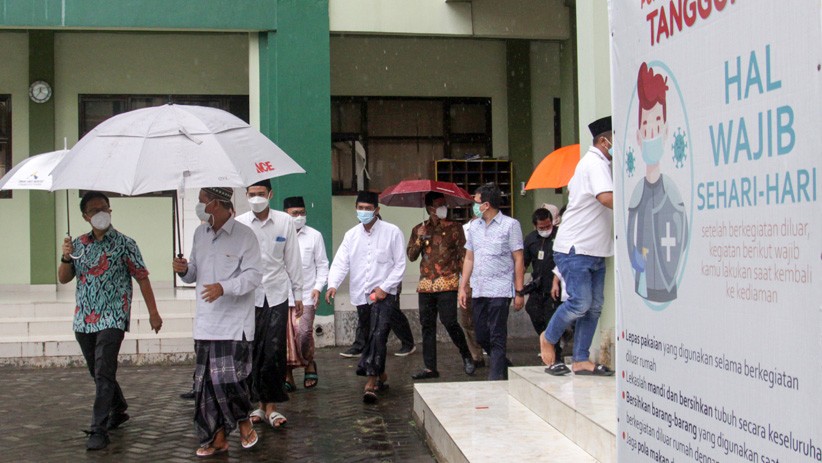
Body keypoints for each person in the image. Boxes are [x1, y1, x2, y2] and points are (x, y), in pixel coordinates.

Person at [58, 191, 163, 451]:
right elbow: (63, 278)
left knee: (105, 371)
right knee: (97, 371)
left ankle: (98, 429)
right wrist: (65, 256)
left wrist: (153, 312)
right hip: (84, 318)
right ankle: (119, 408)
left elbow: (142, 277)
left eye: (104, 208)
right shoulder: (78, 245)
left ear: (111, 210)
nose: (100, 213)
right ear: (85, 216)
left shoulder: (126, 243)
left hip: (113, 316)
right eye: (94, 210)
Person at [172, 187, 261, 456]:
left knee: (230, 381)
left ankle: (244, 420)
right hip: (206, 323)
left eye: (202, 202)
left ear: (216, 204)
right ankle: (217, 438)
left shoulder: (245, 236)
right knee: (206, 385)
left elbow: (254, 276)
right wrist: (184, 269)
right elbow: (193, 275)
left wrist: (225, 287)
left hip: (234, 324)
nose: (199, 207)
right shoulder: (200, 234)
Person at [540, 116, 616, 377]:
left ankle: (581, 359)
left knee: (594, 306)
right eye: (615, 139)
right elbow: (606, 197)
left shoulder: (598, 164)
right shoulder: (594, 164)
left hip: (594, 249)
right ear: (604, 140)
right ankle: (548, 338)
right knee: (581, 303)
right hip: (576, 248)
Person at [325, 191, 407, 403]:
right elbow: (341, 261)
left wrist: (385, 288)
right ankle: (381, 374)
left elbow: (399, 265)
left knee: (379, 334)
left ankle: (370, 383)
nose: (363, 212)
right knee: (370, 335)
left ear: (377, 210)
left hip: (384, 294)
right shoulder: (351, 235)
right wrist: (332, 284)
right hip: (361, 295)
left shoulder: (392, 232)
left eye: (367, 208)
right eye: (359, 208)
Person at [235, 180, 303, 429]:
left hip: (276, 294)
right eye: (251, 194)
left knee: (274, 351)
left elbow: (292, 259)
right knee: (252, 351)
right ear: (245, 196)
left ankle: (272, 407)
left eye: (260, 194)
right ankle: (258, 406)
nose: (256, 198)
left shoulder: (284, 222)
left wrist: (299, 295)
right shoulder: (240, 224)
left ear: (270, 194)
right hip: (249, 296)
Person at [627, 62, 688, 303]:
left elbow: (683, 236)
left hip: (666, 283)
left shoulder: (672, 191)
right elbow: (630, 234)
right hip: (643, 284)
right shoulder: (637, 192)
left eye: (656, 125)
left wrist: (666, 265)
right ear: (639, 137)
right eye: (646, 126)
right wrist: (637, 258)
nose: (651, 132)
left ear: (665, 130)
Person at [458, 183, 525, 381]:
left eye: (476, 202)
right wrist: (463, 286)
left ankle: (495, 379)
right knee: (480, 335)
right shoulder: (474, 228)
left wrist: (519, 291)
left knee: (497, 335)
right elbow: (469, 258)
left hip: (501, 288)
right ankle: (502, 363)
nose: (474, 206)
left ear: (486, 204)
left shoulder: (510, 225)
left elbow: (518, 258)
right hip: (479, 289)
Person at [407, 192, 475, 380]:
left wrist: (465, 282)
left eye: (444, 204)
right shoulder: (418, 229)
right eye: (439, 205)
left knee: (449, 321)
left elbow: (463, 256)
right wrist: (420, 238)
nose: (443, 208)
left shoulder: (455, 228)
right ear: (430, 209)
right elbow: (411, 256)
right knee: (426, 325)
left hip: (448, 282)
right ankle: (430, 367)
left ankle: (466, 355)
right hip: (426, 284)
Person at [282, 196, 329, 390]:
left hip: (307, 295)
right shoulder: (278, 234)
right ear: (285, 215)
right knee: (284, 340)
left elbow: (323, 265)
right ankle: (287, 375)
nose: (299, 216)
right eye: (295, 213)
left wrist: (318, 287)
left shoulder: (314, 236)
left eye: (302, 213)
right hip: (282, 296)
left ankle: (309, 362)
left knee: (303, 333)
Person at [522, 207, 564, 369]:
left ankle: (556, 355)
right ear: (535, 226)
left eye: (548, 226)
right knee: (532, 310)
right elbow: (524, 263)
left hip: (555, 286)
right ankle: (545, 338)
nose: (546, 230)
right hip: (538, 285)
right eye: (542, 228)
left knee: (551, 318)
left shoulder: (559, 235)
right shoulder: (531, 239)